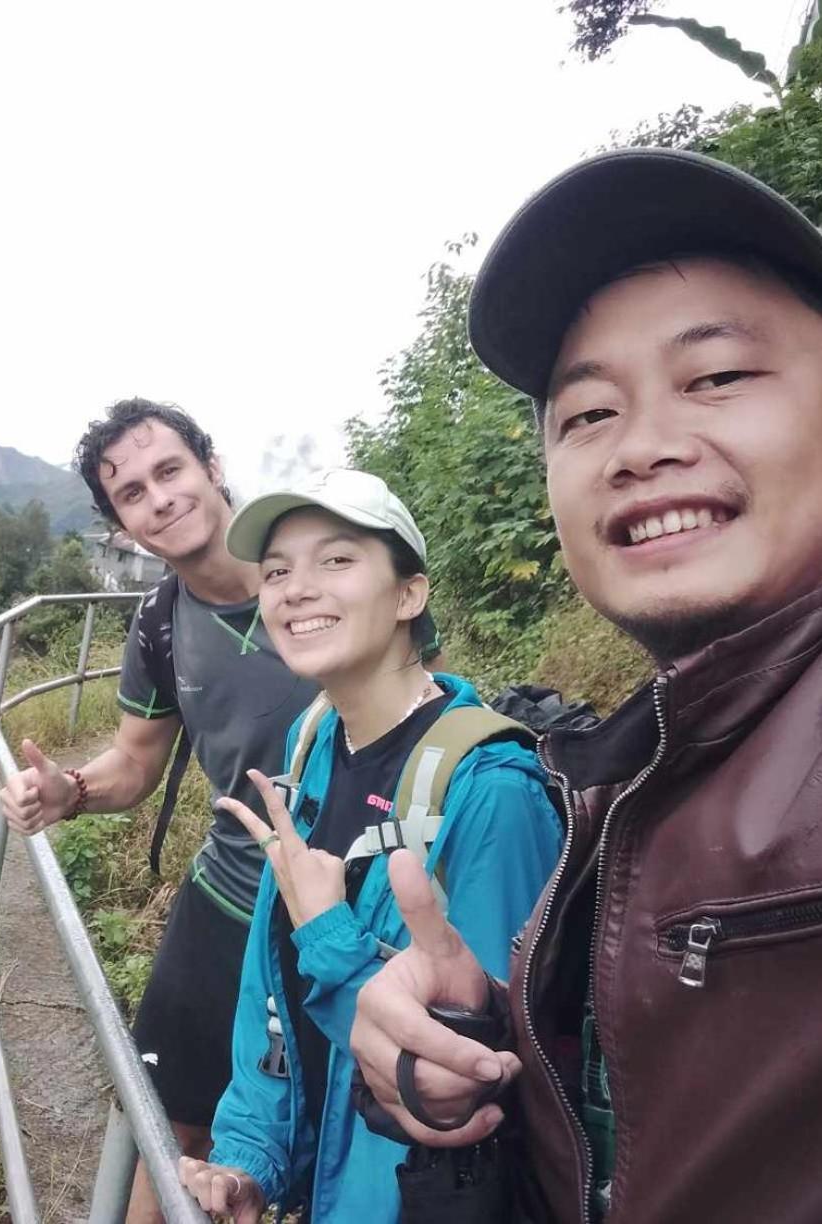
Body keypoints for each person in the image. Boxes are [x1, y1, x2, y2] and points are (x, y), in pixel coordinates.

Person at [347, 148, 822, 1223]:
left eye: (717, 378)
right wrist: (475, 1043)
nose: (642, 447)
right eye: (588, 415)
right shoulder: (654, 753)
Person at [174, 468, 562, 1221]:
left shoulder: (492, 793)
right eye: (278, 571)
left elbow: (475, 1077)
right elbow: (270, 992)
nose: (295, 588)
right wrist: (250, 1161)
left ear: (408, 595)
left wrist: (330, 934)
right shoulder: (312, 737)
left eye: (337, 560)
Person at [0, 398, 320, 1222]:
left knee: (336, 1142)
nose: (159, 498)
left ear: (211, 467)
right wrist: (69, 791)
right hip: (225, 902)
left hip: (355, 908)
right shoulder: (159, 622)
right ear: (122, 525)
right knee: (168, 1121)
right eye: (132, 493)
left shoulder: (322, 560)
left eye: (169, 470)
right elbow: (136, 761)